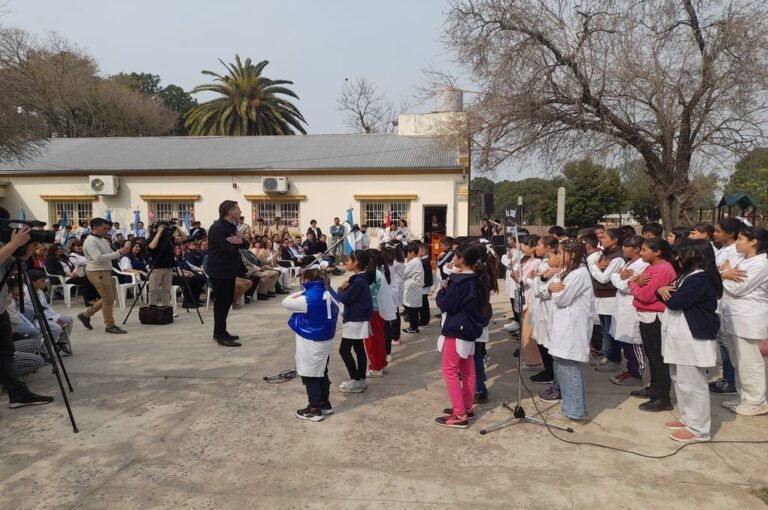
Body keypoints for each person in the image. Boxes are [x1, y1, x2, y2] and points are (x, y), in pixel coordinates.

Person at [657, 240, 722, 442]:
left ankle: (699, 428)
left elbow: (676, 301)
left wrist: (662, 292)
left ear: (693, 254)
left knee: (694, 383)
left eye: (680, 255)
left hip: (693, 337)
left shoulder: (701, 279)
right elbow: (665, 293)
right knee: (680, 379)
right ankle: (688, 418)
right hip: (680, 335)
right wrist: (660, 290)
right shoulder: (687, 276)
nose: (677, 259)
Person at [434, 244, 494, 429]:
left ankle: (459, 413)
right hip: (469, 329)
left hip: (456, 329)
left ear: (461, 260)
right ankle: (466, 407)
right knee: (468, 369)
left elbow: (447, 305)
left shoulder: (459, 281)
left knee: (449, 370)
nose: (452, 259)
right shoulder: (477, 279)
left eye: (455, 256)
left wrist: (443, 290)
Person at [0, 214, 55, 407]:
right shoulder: (7, 244)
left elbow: (10, 265)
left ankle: (18, 394)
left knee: (6, 352)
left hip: (0, 310)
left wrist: (27, 249)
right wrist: (14, 244)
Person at [544, 239, 596, 425]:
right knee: (563, 367)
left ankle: (575, 412)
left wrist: (553, 286)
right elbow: (553, 290)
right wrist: (551, 285)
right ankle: (570, 407)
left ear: (572, 254)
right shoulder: (569, 272)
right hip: (563, 328)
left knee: (570, 369)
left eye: (560, 253)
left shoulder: (579, 274)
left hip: (572, 329)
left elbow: (561, 298)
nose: (557, 257)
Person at [719, 226, 768, 416]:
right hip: (734, 318)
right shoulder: (741, 259)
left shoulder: (761, 264)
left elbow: (738, 288)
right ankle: (744, 397)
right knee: (737, 360)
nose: (737, 242)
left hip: (749, 318)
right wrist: (725, 273)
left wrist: (724, 274)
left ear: (753, 241)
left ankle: (757, 401)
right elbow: (724, 273)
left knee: (750, 362)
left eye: (741, 239)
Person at [282, 268, 340, 421]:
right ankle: (324, 403)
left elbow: (286, 302)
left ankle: (314, 409)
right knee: (322, 371)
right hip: (326, 339)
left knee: (310, 375)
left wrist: (301, 292)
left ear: (308, 280)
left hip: (311, 341)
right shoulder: (330, 292)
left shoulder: (307, 298)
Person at [629, 237, 677, 412]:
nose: (641, 253)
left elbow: (646, 296)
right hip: (646, 315)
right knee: (651, 355)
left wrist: (632, 284)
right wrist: (636, 284)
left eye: (644, 250)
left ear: (657, 252)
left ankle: (663, 397)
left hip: (655, 317)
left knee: (659, 358)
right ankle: (654, 388)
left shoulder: (663, 269)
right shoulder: (652, 267)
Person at [709, 218, 745, 394]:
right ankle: (727, 378)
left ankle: (730, 381)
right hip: (718, 302)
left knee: (726, 345)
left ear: (730, 233)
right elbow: (718, 272)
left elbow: (733, 274)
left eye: (718, 231)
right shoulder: (723, 249)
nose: (714, 233)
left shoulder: (736, 252)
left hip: (727, 302)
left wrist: (720, 273)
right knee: (723, 344)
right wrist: (721, 272)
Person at [77, 218, 131, 334]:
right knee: (108, 299)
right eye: (104, 228)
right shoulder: (90, 241)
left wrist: (121, 251)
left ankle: (86, 315)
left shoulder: (101, 240)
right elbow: (98, 258)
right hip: (97, 272)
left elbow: (110, 254)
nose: (107, 231)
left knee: (109, 298)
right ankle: (109, 325)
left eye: (108, 228)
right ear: (95, 228)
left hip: (105, 271)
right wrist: (119, 253)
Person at [608, 235, 648, 386]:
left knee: (634, 342)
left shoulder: (641, 266)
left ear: (637, 249)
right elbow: (624, 283)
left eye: (627, 246)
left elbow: (626, 286)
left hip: (632, 308)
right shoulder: (630, 263)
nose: (623, 249)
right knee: (625, 341)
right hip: (622, 307)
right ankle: (630, 369)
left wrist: (616, 276)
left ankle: (637, 373)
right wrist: (620, 277)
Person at [207, 200, 247, 347]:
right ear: (230, 211)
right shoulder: (217, 227)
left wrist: (238, 241)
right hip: (219, 270)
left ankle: (222, 331)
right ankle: (219, 334)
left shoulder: (231, 226)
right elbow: (227, 249)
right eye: (238, 209)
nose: (240, 211)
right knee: (221, 303)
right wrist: (237, 242)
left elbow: (246, 244)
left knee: (227, 302)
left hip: (229, 270)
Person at [590, 228, 627, 374]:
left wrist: (594, 268)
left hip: (610, 297)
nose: (601, 240)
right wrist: (597, 268)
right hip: (601, 297)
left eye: (604, 237)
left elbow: (604, 278)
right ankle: (608, 355)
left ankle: (615, 359)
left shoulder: (617, 257)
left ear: (615, 240)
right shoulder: (604, 254)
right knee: (606, 329)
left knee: (611, 329)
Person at [337, 250, 374, 393]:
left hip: (355, 319)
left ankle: (356, 379)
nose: (346, 263)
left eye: (348, 260)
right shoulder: (360, 279)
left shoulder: (358, 281)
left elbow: (345, 298)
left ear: (356, 263)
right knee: (358, 348)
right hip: (358, 318)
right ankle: (360, 378)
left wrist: (340, 289)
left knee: (344, 350)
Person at [401, 241, 425, 335]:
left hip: (413, 289)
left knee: (412, 311)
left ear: (411, 252)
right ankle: (413, 326)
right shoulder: (415, 261)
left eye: (407, 253)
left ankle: (413, 328)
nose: (406, 256)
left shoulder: (413, 263)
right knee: (412, 309)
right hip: (413, 289)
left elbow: (404, 274)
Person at [418, 242, 433, 327]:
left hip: (424, 284)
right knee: (423, 302)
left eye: (418, 251)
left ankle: (424, 321)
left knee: (423, 304)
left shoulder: (424, 261)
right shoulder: (424, 260)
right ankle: (423, 319)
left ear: (423, 252)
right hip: (425, 284)